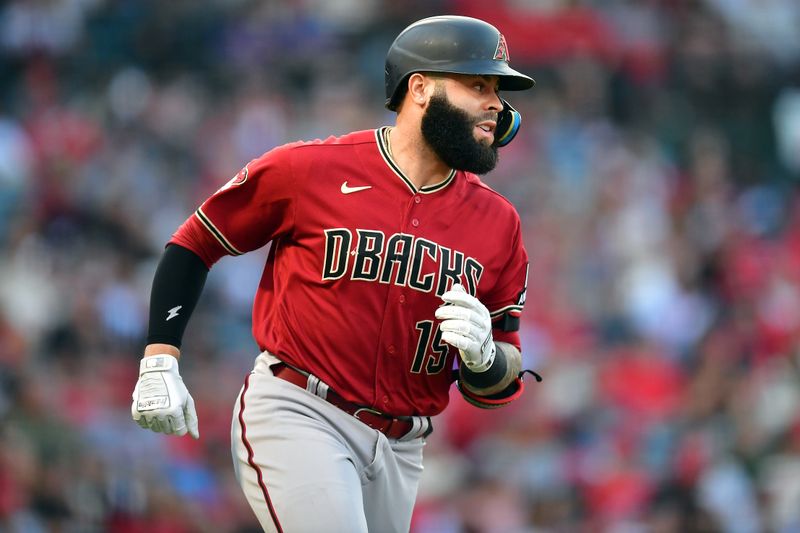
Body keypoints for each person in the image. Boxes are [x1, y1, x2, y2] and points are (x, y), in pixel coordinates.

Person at [131, 14, 539, 533]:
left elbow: (501, 385)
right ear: (420, 88)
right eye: (478, 85)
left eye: (498, 90)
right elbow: (194, 243)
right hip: (300, 409)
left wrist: (484, 358)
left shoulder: (499, 223)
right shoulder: (310, 169)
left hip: (402, 448)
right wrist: (160, 357)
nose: (496, 105)